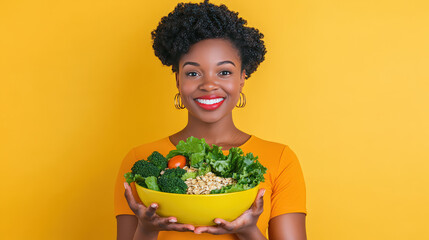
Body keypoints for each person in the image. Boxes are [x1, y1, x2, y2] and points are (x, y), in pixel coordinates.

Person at [114, 1, 307, 239]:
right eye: (193, 73)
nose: (208, 85)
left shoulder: (280, 160)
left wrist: (247, 230)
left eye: (224, 72)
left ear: (242, 79)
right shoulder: (140, 161)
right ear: (178, 80)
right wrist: (146, 229)